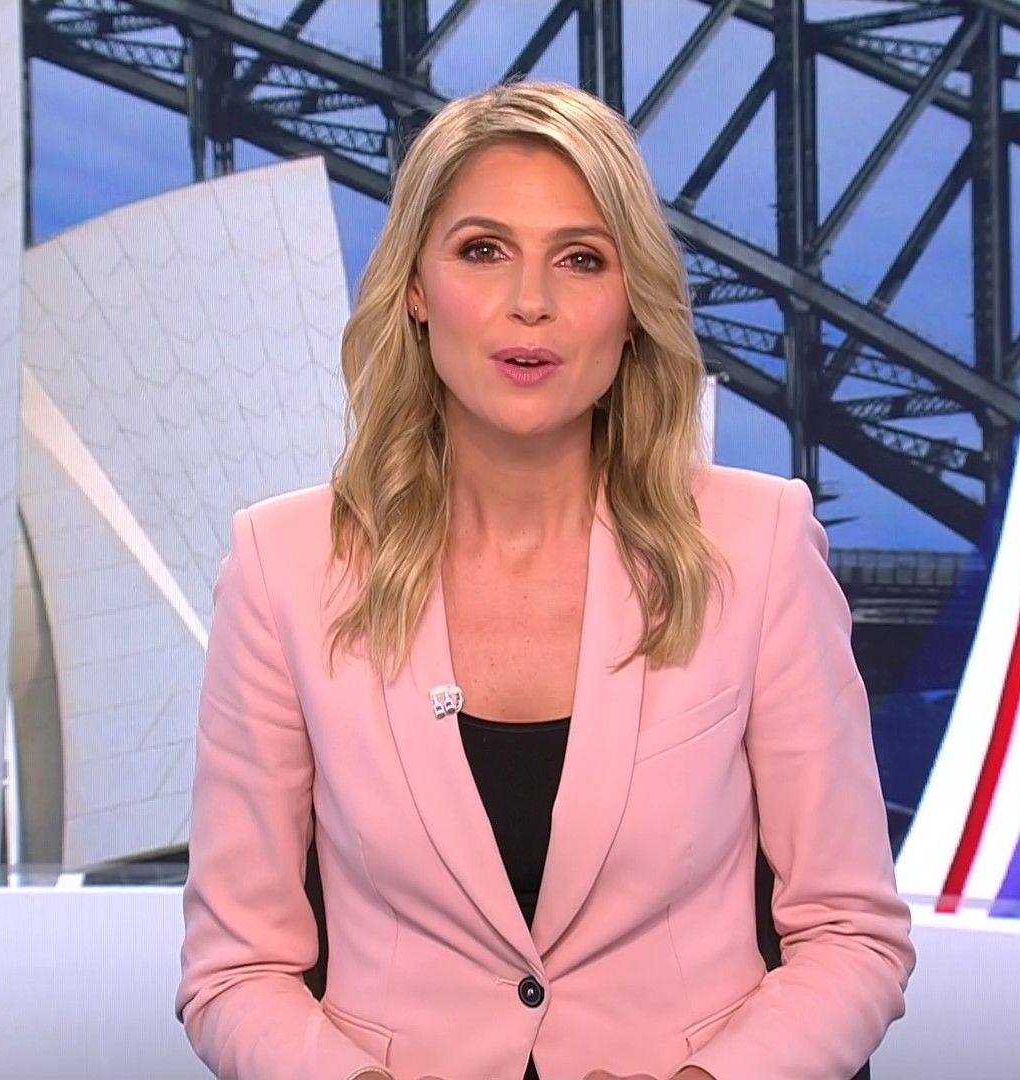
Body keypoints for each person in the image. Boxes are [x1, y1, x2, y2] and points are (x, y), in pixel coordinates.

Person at [174, 79, 914, 1080]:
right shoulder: (284, 566)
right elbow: (236, 969)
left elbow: (850, 933)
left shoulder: (760, 544)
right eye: (483, 251)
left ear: (632, 304)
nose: (532, 302)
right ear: (417, 289)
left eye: (581, 258)